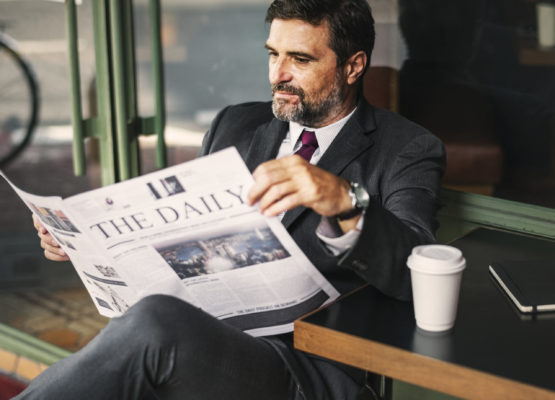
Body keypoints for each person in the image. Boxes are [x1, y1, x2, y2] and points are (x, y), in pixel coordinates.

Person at [20, 0, 445, 399]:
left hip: (303, 366)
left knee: (152, 325)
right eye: (272, 54)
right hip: (209, 335)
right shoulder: (235, 124)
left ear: (353, 66)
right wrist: (84, 243)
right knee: (144, 329)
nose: (279, 73)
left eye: (300, 59)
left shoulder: (405, 148)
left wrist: (345, 201)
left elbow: (416, 271)